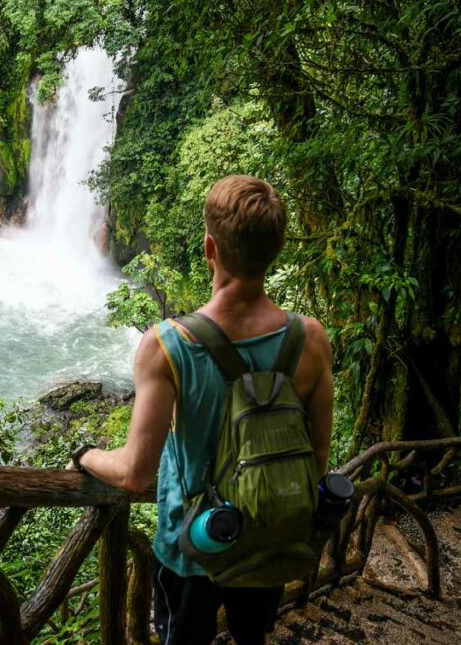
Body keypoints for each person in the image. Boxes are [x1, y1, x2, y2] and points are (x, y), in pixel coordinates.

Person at [68, 175, 334, 644]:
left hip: (193, 548)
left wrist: (85, 455)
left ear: (210, 248)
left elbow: (134, 473)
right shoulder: (310, 340)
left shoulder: (168, 345)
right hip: (271, 537)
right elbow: (316, 460)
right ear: (277, 248)